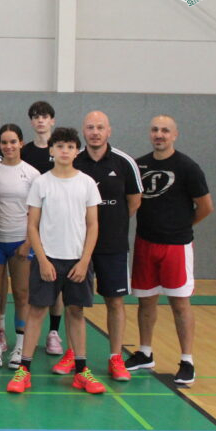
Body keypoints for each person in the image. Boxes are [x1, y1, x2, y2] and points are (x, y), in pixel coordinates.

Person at [7, 127, 103, 395]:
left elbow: (93, 225)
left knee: (76, 312)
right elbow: (32, 225)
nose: (65, 151)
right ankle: (24, 370)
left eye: (70, 146)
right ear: (51, 150)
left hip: (77, 262)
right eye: (60, 146)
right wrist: (42, 259)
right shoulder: (41, 183)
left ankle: (81, 371)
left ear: (76, 151)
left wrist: (84, 261)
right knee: (36, 311)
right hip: (47, 260)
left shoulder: (86, 183)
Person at [124, 115, 213, 386]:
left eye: (165, 130)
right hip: (145, 244)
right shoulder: (139, 165)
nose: (159, 134)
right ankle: (145, 352)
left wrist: (181, 227)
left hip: (176, 247)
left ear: (175, 135)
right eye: (155, 130)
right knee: (146, 301)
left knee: (180, 304)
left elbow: (206, 207)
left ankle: (187, 361)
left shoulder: (188, 167)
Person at [72, 111, 142, 381]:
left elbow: (134, 201)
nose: (95, 132)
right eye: (90, 127)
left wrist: (113, 224)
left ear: (108, 131)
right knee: (75, 303)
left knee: (115, 301)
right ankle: (74, 355)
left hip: (113, 246)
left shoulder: (125, 163)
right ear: (83, 131)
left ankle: (116, 358)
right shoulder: (74, 160)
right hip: (78, 247)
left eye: (100, 127)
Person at [0, 124, 40, 369]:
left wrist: (29, 241)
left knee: (21, 293)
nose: (8, 146)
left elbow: (36, 212)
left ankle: (20, 346)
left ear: (21, 143)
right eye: (4, 142)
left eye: (13, 142)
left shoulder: (32, 174)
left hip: (21, 241)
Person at [22, 100, 65, 356]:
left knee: (56, 284)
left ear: (52, 120)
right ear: (31, 122)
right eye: (36, 116)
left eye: (45, 116)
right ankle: (24, 337)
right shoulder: (25, 152)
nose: (40, 120)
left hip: (58, 226)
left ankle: (54, 333)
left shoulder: (61, 151)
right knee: (32, 284)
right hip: (32, 223)